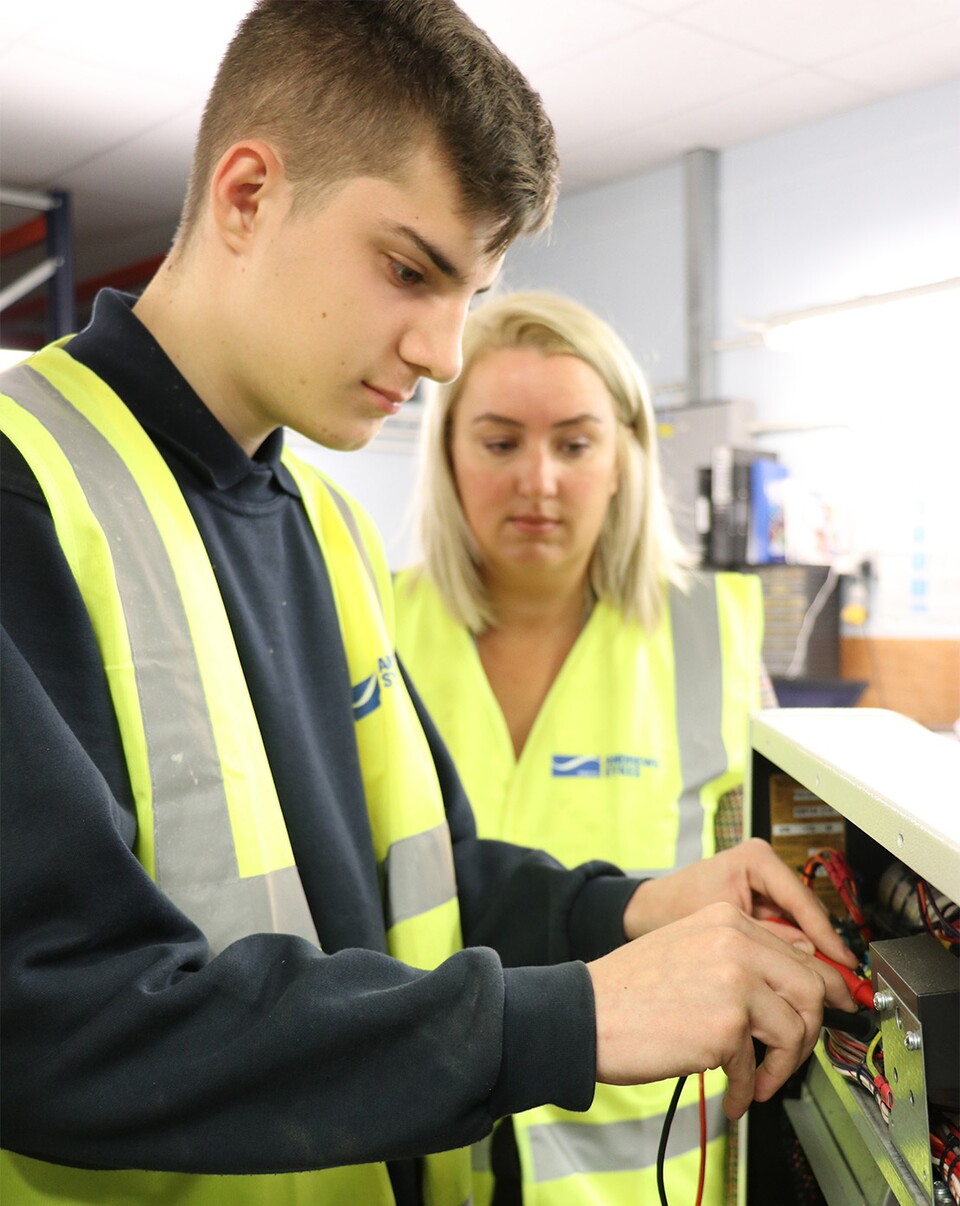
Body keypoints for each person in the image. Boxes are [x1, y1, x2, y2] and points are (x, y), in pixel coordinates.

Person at [0, 4, 856, 1205]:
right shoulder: (24, 490)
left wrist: (633, 911)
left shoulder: (318, 522)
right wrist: (567, 1019)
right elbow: (50, 1019)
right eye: (410, 270)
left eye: (473, 288)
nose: (446, 353)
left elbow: (426, 879)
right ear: (247, 195)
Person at [393, 290, 769, 1204]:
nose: (539, 481)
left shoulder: (711, 636)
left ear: (625, 457)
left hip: (650, 1175)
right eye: (499, 441)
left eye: (574, 442)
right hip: (422, 1150)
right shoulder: (363, 625)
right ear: (445, 452)